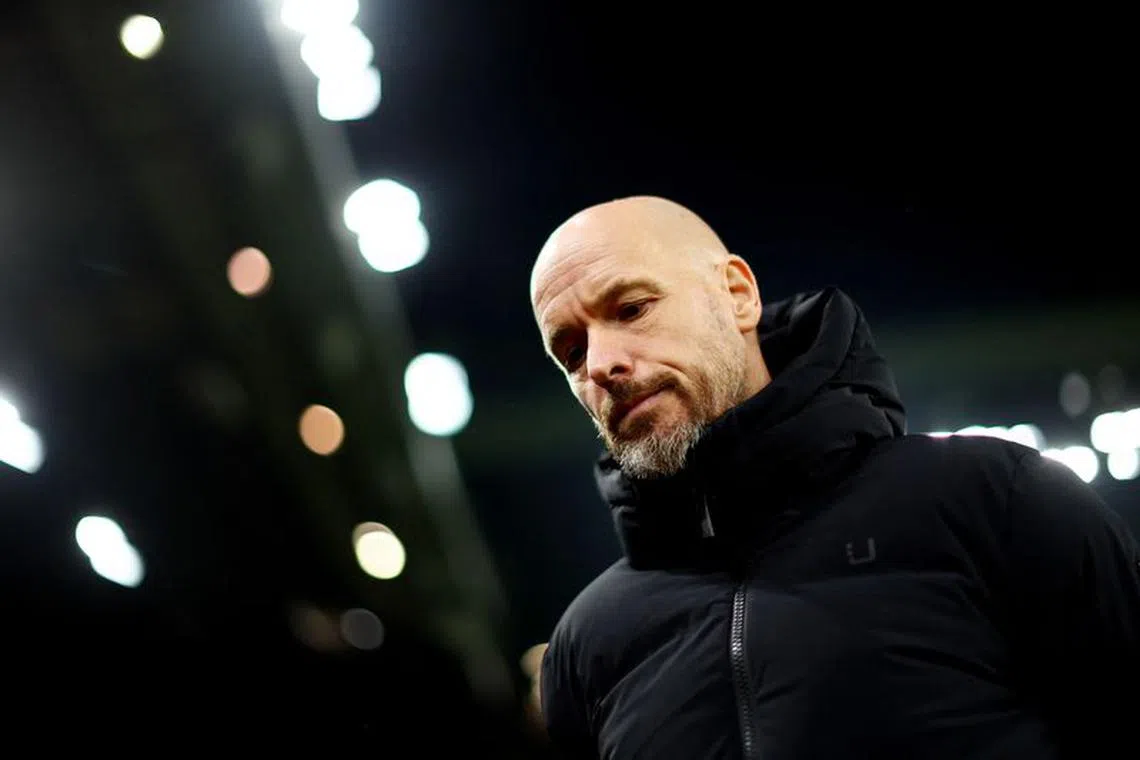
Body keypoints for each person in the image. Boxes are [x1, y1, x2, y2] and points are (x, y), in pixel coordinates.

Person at [529, 195, 1140, 759]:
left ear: (738, 295)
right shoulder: (587, 646)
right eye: (571, 351)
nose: (603, 364)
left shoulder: (995, 500)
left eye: (632, 309)